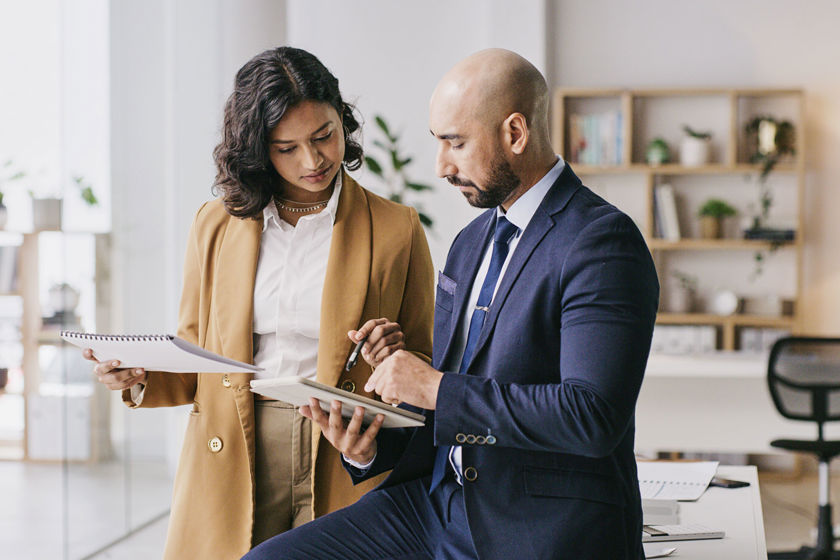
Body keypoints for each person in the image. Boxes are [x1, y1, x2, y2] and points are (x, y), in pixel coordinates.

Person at [244, 48, 659, 560]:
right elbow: (450, 400)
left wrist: (435, 385)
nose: (441, 166)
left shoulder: (600, 240)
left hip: (535, 520)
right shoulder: (470, 241)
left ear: (515, 133)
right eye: (438, 143)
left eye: (456, 143)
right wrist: (369, 444)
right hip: (434, 504)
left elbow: (591, 417)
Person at [82, 46, 434, 560]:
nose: (312, 161)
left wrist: (390, 357)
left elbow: (423, 364)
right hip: (235, 444)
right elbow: (195, 350)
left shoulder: (396, 228)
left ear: (343, 120)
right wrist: (138, 378)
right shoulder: (216, 223)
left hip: (340, 445)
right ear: (256, 148)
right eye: (285, 147)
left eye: (324, 136)